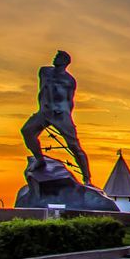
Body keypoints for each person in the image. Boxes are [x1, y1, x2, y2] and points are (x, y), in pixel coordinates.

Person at [20, 50, 92, 185]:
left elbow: (69, 100)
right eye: (55, 56)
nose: (55, 58)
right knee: (27, 131)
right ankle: (39, 159)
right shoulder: (44, 72)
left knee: (74, 146)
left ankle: (87, 177)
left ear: (65, 62)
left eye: (58, 57)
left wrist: (66, 116)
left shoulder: (69, 81)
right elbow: (43, 90)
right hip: (44, 112)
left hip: (60, 114)